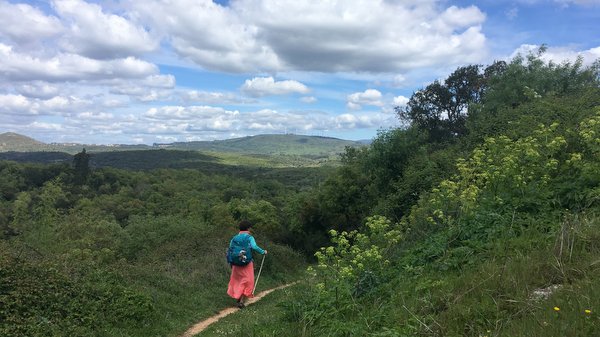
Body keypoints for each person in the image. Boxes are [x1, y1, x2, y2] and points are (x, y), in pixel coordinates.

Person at [227, 220, 267, 308]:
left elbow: (230, 249)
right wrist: (263, 251)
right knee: (248, 281)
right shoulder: (249, 237)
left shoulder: (234, 238)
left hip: (236, 263)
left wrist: (231, 261)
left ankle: (238, 296)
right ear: (248, 228)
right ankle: (241, 301)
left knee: (237, 280)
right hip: (247, 263)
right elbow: (254, 247)